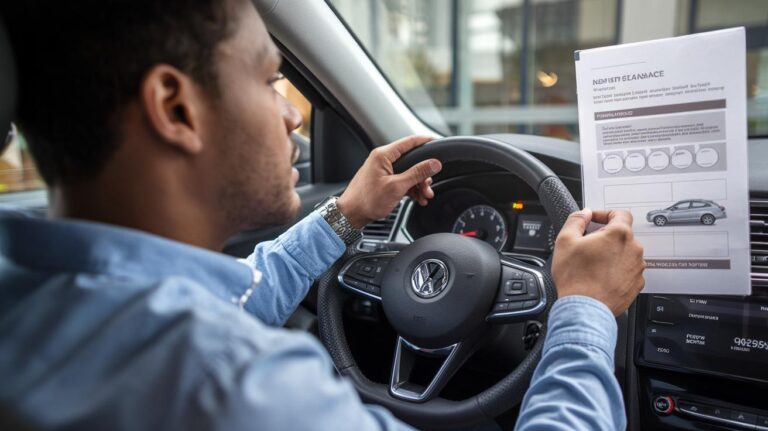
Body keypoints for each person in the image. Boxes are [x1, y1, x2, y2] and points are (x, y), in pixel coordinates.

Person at [0, 0, 645, 430]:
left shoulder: (30, 298)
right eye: (270, 81)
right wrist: (584, 309)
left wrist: (344, 217)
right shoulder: (239, 390)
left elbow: (233, 296)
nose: (290, 114)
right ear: (175, 108)